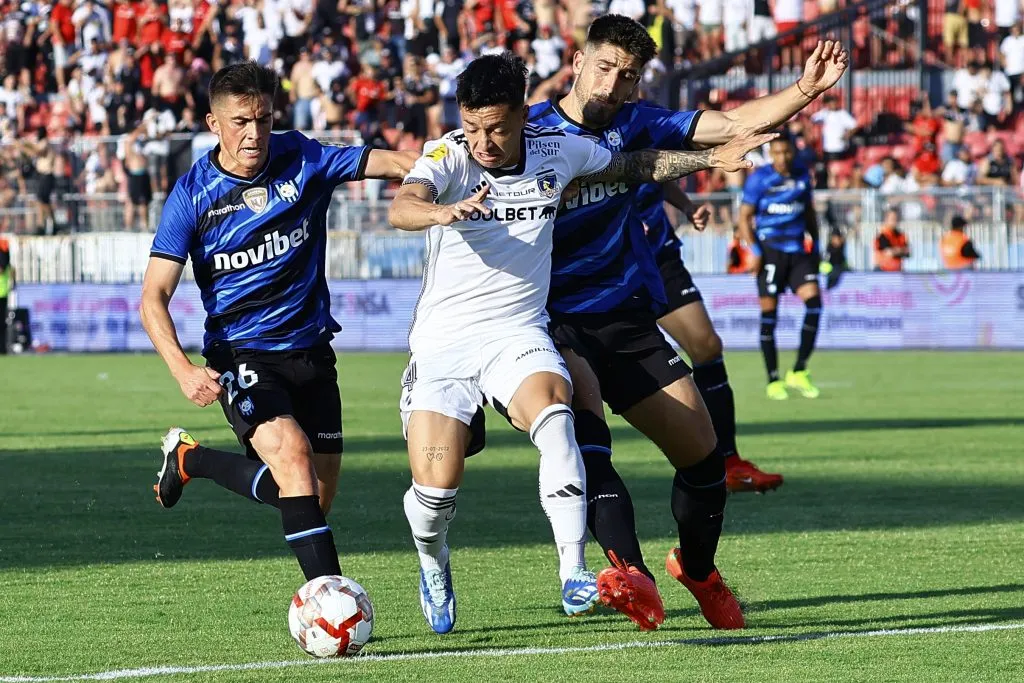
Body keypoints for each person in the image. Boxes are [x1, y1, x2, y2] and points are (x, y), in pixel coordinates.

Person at [389, 51, 770, 635]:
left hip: (517, 332)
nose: (483, 142)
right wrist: (441, 211)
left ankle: (574, 571)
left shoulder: (554, 149)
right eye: (472, 127)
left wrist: (710, 159)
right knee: (435, 495)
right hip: (444, 345)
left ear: (521, 116)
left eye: (495, 128)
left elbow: (632, 165)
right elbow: (402, 205)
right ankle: (432, 563)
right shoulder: (449, 156)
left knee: (557, 414)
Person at [528, 14, 847, 631]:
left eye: (627, 75)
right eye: (604, 67)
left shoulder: (638, 119)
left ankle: (697, 570)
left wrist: (806, 90)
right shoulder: (529, 131)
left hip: (625, 317)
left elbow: (733, 125)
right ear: (576, 62)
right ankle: (632, 574)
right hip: (550, 321)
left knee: (702, 459)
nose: (613, 84)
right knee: (584, 435)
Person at [139, 61, 416, 584]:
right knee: (291, 459)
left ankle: (191, 461)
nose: (254, 133)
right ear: (213, 123)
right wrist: (183, 370)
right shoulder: (192, 195)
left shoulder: (302, 155)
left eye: (263, 119)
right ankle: (330, 601)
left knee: (313, 495)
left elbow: (389, 161)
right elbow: (153, 296)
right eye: (241, 120)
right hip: (240, 355)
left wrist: (440, 165)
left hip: (312, 351)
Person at [638, 179, 784, 493]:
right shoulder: (568, 135)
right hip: (605, 261)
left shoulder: (637, 128)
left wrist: (687, 206)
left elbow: (655, 165)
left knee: (706, 347)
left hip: (660, 256)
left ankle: (729, 463)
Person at [738, 135, 823, 401]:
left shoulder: (801, 175)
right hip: (770, 252)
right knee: (770, 315)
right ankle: (773, 379)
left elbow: (808, 212)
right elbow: (744, 218)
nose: (783, 158)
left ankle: (799, 370)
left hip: (798, 251)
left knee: (815, 304)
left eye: (787, 153)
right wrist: (754, 252)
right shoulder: (759, 179)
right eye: (777, 153)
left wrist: (817, 246)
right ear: (771, 153)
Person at [0, 238, 12, 354]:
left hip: (1, 292)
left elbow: (2, 268)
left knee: (1, 323)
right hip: (3, 292)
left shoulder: (3, 246)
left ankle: (2, 349)